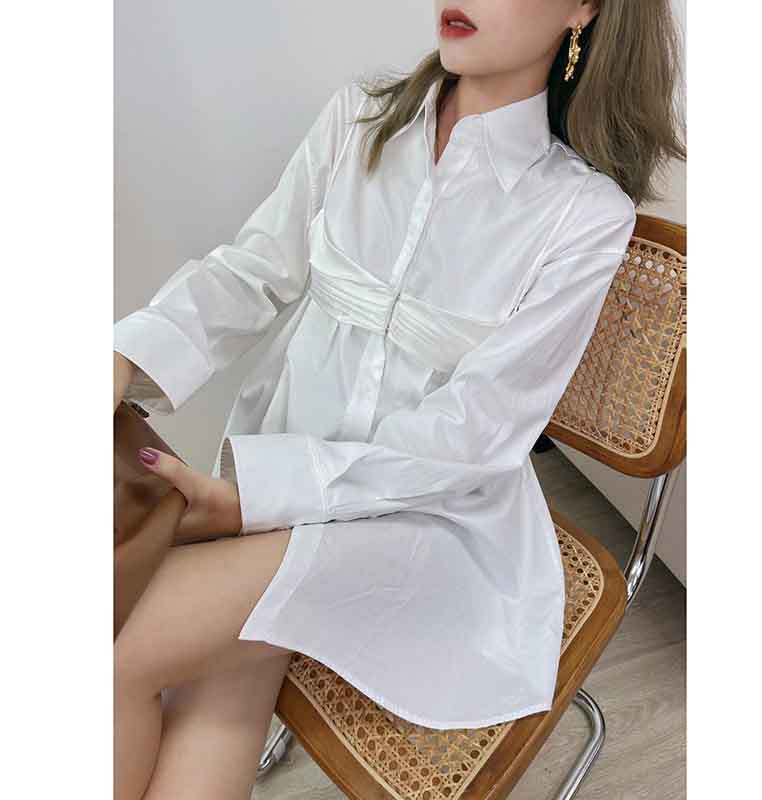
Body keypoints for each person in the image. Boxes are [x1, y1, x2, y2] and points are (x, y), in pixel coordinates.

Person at [113, 2, 685, 798]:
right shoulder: (360, 118)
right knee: (214, 689)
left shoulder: (582, 215)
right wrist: (124, 356)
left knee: (119, 650)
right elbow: (252, 270)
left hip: (428, 523)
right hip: (284, 464)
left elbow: (474, 434)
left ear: (583, 8)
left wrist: (257, 499)